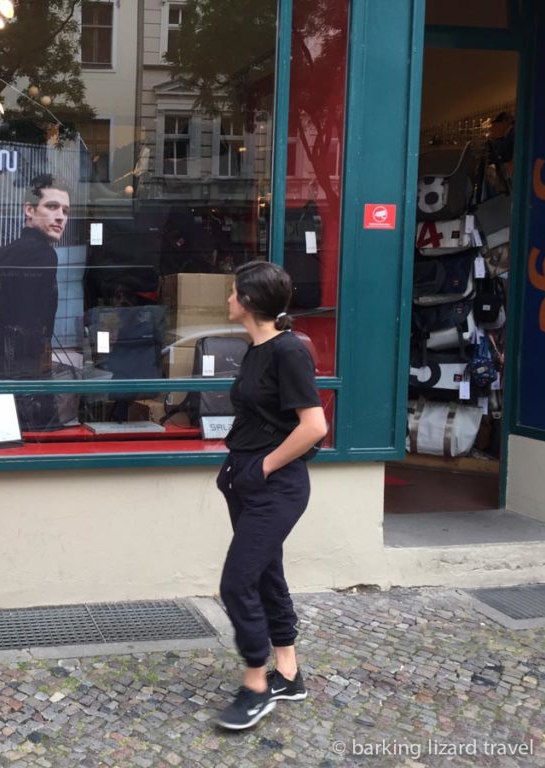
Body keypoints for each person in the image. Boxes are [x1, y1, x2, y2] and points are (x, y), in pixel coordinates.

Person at [213, 260, 328, 731]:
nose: (227, 299)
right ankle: (288, 673)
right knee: (264, 575)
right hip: (246, 480)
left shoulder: (288, 351)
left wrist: (262, 467)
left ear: (250, 301)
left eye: (233, 292)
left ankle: (256, 685)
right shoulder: (256, 350)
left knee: (236, 583)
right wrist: (237, 470)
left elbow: (314, 427)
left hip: (276, 485)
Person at [0, 174, 69, 381]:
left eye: (65, 211)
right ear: (29, 210)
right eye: (52, 207)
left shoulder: (6, 251)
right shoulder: (43, 254)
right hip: (19, 367)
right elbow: (31, 320)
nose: (60, 217)